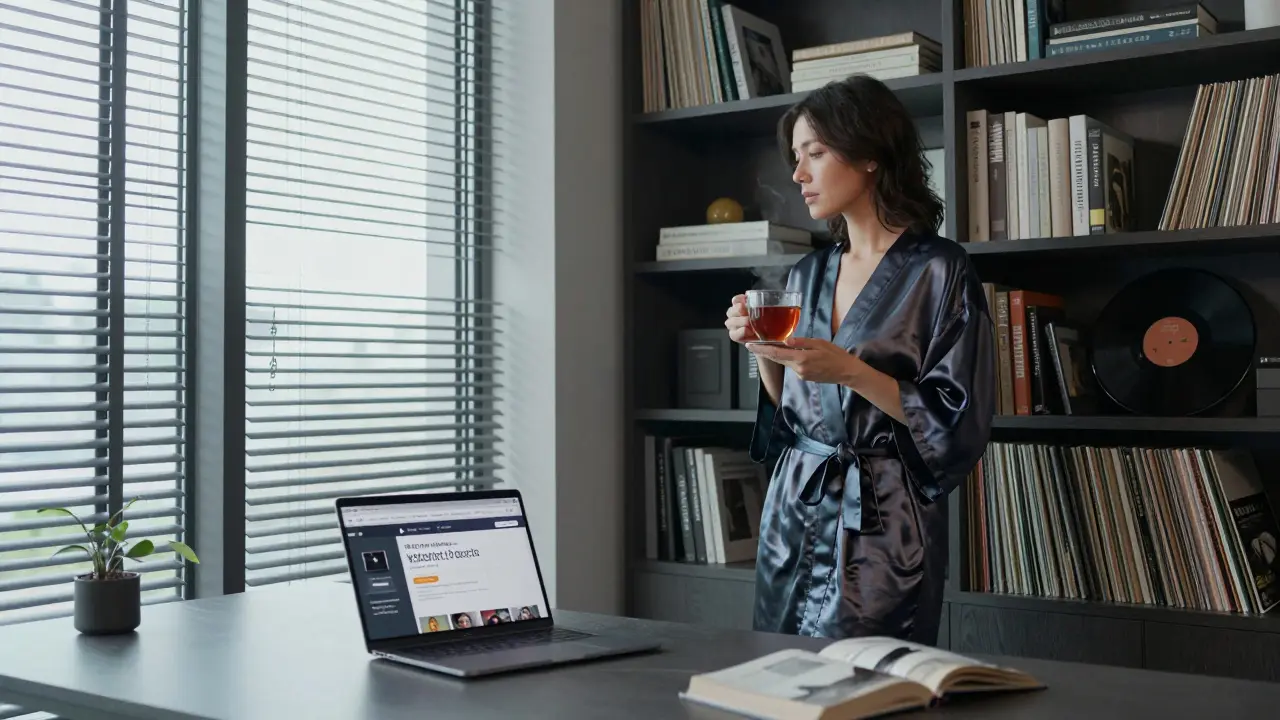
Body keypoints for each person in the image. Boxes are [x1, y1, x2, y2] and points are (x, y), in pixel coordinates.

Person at [724, 75, 995, 645]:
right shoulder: (807, 274)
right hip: (795, 503)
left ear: (869, 155)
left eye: (815, 154)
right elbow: (795, 410)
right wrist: (761, 351)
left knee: (866, 678)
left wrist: (849, 370)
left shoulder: (940, 270)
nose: (798, 175)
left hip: (881, 516)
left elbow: (956, 419)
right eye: (795, 158)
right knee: (777, 670)